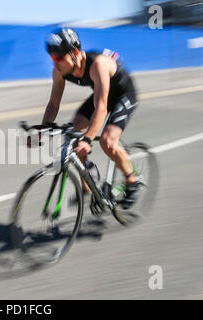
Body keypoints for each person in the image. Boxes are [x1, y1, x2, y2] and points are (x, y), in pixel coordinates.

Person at [42, 27, 140, 209]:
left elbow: (101, 108)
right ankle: (89, 188)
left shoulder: (98, 64)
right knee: (72, 137)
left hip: (123, 95)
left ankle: (132, 180)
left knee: (107, 142)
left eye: (58, 58)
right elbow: (53, 104)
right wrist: (42, 129)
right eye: (51, 58)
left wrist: (88, 139)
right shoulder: (59, 71)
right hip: (101, 95)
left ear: (76, 53)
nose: (55, 63)